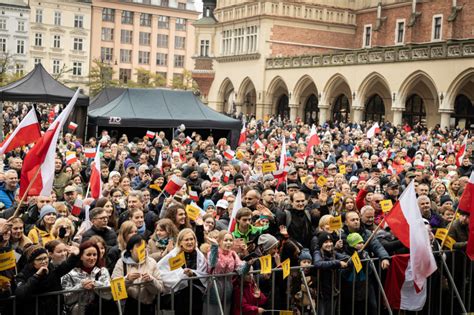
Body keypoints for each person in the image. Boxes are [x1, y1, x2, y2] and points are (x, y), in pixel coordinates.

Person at [15, 244, 80, 315]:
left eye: (45, 258)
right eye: (39, 259)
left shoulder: (52, 269)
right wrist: (36, 276)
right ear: (32, 262)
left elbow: (66, 266)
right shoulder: (24, 274)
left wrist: (74, 255)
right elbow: (20, 293)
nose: (44, 262)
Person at [157, 228, 208, 314]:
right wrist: (182, 276)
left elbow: (203, 275)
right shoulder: (173, 255)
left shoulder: (200, 256)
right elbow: (162, 272)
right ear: (180, 242)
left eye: (192, 239)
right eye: (186, 240)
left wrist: (193, 274)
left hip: (196, 297)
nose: (190, 242)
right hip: (179, 297)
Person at [112, 235, 164, 315]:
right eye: (138, 246)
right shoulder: (121, 262)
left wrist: (151, 280)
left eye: (144, 246)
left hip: (148, 307)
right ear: (131, 249)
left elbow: (159, 289)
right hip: (128, 306)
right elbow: (114, 288)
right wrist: (127, 279)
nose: (142, 248)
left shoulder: (152, 262)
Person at [61, 241, 111, 315]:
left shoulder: (103, 271)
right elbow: (66, 299)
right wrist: (81, 287)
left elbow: (109, 294)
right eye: (88, 255)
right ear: (81, 256)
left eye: (95, 255)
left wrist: (95, 285)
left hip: (100, 310)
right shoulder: (69, 273)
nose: (92, 258)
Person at [206, 230, 250, 315]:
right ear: (219, 242)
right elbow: (212, 263)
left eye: (230, 240)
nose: (228, 243)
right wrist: (214, 247)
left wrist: (248, 264)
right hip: (214, 287)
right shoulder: (212, 252)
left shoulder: (233, 254)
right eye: (225, 240)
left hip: (228, 288)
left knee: (225, 311)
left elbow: (240, 271)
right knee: (212, 311)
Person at [313, 232, 349, 315]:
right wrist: (337, 263)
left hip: (332, 290)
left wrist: (356, 255)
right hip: (322, 292)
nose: (329, 244)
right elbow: (318, 263)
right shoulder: (317, 252)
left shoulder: (334, 252)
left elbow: (345, 258)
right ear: (321, 244)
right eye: (325, 242)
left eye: (330, 242)